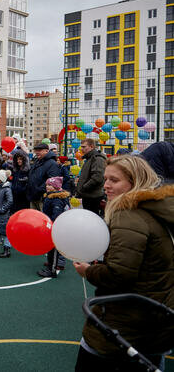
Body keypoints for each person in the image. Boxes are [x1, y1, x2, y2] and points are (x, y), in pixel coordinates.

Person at [73, 155, 174, 371]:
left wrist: (89, 271)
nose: (106, 185)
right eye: (106, 179)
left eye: (114, 180)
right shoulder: (156, 210)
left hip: (125, 321)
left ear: (134, 181)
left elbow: (119, 274)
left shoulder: (128, 215)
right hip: (154, 317)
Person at [37, 177, 69, 278]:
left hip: (55, 226)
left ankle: (52, 270)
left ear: (56, 187)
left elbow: (57, 215)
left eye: (50, 185)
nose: (47, 187)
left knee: (53, 249)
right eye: (47, 185)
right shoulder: (51, 196)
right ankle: (51, 265)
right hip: (52, 225)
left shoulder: (57, 199)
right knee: (51, 248)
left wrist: (51, 224)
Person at [75, 138, 106, 216]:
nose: (81, 149)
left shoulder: (97, 158)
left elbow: (97, 177)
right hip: (88, 195)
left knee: (93, 218)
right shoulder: (89, 158)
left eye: (84, 147)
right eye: (81, 147)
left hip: (93, 196)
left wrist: (84, 187)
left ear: (91, 147)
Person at [26, 142, 60, 211]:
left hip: (43, 198)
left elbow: (52, 181)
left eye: (40, 150)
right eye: (36, 150)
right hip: (33, 197)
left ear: (47, 151)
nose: (37, 152)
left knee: (43, 218)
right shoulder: (37, 161)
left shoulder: (52, 163)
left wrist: (38, 190)